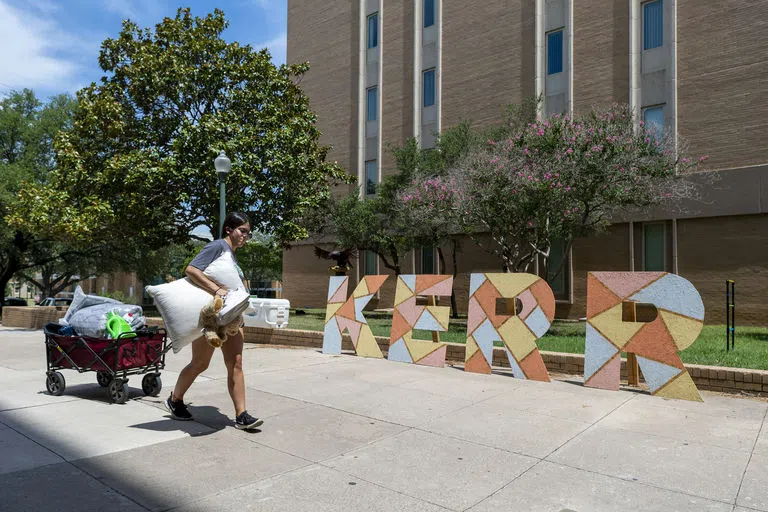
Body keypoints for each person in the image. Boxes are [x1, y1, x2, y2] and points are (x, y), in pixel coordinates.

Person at [164, 212, 263, 430]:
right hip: (212, 319)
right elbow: (191, 269)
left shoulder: (231, 255)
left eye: (248, 232)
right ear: (229, 229)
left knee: (236, 363)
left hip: (232, 318)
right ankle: (175, 399)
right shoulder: (217, 246)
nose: (246, 236)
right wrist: (217, 290)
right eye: (242, 231)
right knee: (200, 363)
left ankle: (241, 415)